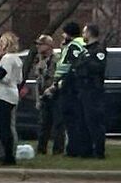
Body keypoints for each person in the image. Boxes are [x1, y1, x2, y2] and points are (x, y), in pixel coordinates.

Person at [52, 22, 86, 157]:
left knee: (70, 120)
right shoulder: (81, 44)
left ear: (69, 33)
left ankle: (72, 150)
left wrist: (58, 80)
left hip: (69, 87)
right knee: (77, 119)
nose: (62, 35)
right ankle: (76, 148)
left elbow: (67, 65)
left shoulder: (74, 46)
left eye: (64, 32)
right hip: (77, 87)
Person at [75, 24, 107, 159]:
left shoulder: (98, 50)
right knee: (82, 121)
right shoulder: (84, 50)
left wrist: (87, 61)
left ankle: (98, 151)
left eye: (84, 32)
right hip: (83, 89)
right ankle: (85, 150)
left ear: (90, 33)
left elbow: (99, 67)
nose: (83, 35)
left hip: (93, 90)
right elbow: (77, 66)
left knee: (94, 121)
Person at [32, 34, 63, 155]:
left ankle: (58, 150)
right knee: (43, 124)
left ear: (48, 46)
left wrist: (52, 89)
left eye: (40, 44)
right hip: (43, 96)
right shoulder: (40, 60)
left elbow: (60, 77)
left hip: (55, 95)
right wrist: (37, 99)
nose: (38, 47)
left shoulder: (57, 59)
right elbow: (37, 81)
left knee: (58, 124)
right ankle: (41, 149)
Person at [0, 32, 23, 165]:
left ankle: (7, 155)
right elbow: (19, 79)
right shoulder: (17, 59)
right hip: (14, 93)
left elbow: (5, 77)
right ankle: (11, 152)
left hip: (5, 94)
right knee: (10, 125)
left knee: (2, 126)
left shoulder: (7, 59)